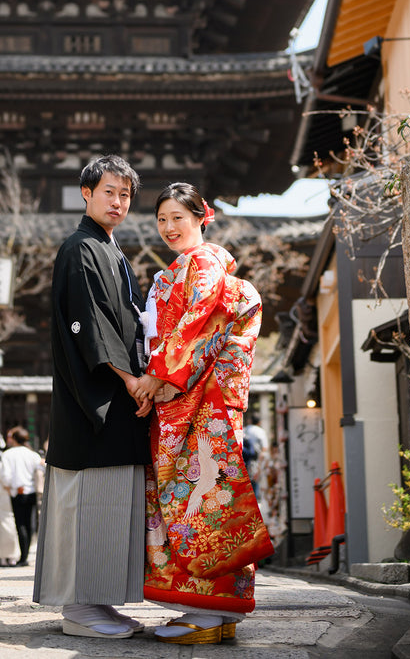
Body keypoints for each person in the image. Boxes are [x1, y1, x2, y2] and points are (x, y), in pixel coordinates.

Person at [132, 183, 273, 645]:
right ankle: (213, 609)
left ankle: (209, 610)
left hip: (197, 397)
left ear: (201, 217)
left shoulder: (205, 261)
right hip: (185, 396)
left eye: (179, 217)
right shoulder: (177, 269)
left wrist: (157, 377)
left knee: (203, 500)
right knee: (196, 500)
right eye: (162, 220)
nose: (170, 227)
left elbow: (199, 319)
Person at [33, 155, 151, 639]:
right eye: (109, 192)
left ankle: (99, 598)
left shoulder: (111, 249)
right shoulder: (81, 248)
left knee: (113, 498)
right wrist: (128, 380)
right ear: (86, 193)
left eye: (125, 195)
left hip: (122, 396)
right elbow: (93, 327)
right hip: (94, 398)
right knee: (90, 499)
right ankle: (79, 606)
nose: (118, 202)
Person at [0, 426, 44, 567]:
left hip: (16, 491)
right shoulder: (32, 455)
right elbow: (40, 470)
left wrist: (8, 486)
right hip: (31, 491)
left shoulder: (8, 454)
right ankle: (25, 555)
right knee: (29, 523)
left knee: (20, 524)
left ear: (14, 438)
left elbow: (6, 475)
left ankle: (23, 557)